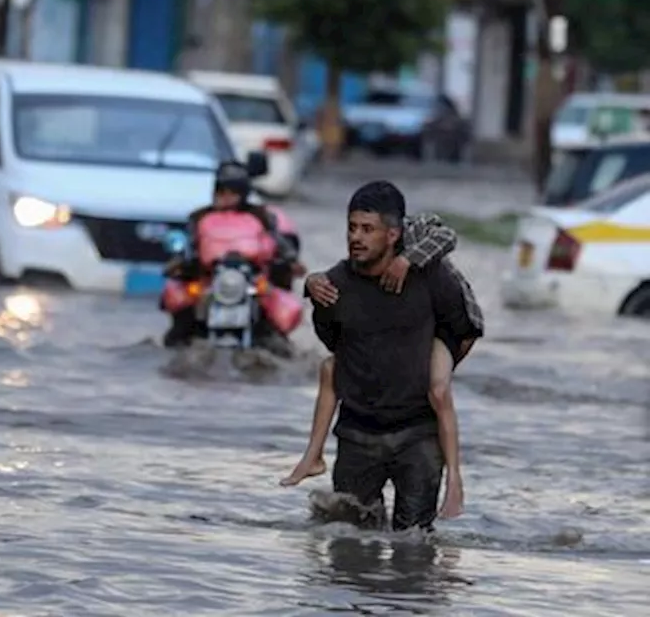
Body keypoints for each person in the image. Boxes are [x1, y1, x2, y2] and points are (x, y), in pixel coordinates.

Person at [283, 206, 483, 521]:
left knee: (438, 389)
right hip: (366, 415)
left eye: (368, 229)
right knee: (329, 369)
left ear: (392, 233)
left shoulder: (420, 243)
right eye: (353, 228)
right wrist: (310, 283)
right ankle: (313, 454)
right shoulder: (352, 273)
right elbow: (332, 329)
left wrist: (408, 259)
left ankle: (456, 482)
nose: (357, 237)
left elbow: (448, 236)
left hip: (450, 329)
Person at [162, 160, 303, 348]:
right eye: (221, 192)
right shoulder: (200, 216)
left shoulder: (261, 215)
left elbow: (279, 241)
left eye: (231, 193)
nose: (225, 197)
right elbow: (188, 245)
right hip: (209, 280)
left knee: (276, 333)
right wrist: (179, 261)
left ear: (243, 194)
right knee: (179, 326)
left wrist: (291, 260)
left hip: (251, 280)